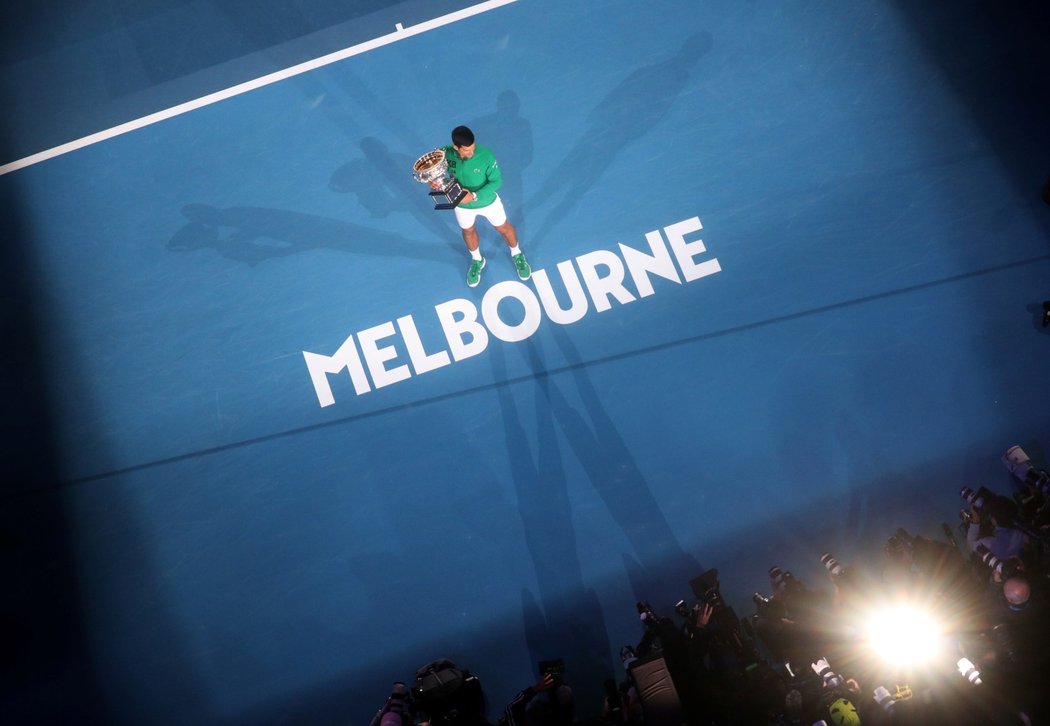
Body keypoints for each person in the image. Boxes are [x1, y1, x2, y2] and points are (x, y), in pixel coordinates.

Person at [434, 125, 530, 288]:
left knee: (503, 228)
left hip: (487, 202)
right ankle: (477, 259)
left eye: (473, 148)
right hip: (462, 205)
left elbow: (497, 181)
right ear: (456, 147)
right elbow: (436, 174)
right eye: (467, 150)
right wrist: (434, 182)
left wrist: (475, 196)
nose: (471, 153)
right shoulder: (445, 154)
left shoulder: (486, 156)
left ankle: (517, 254)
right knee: (468, 231)